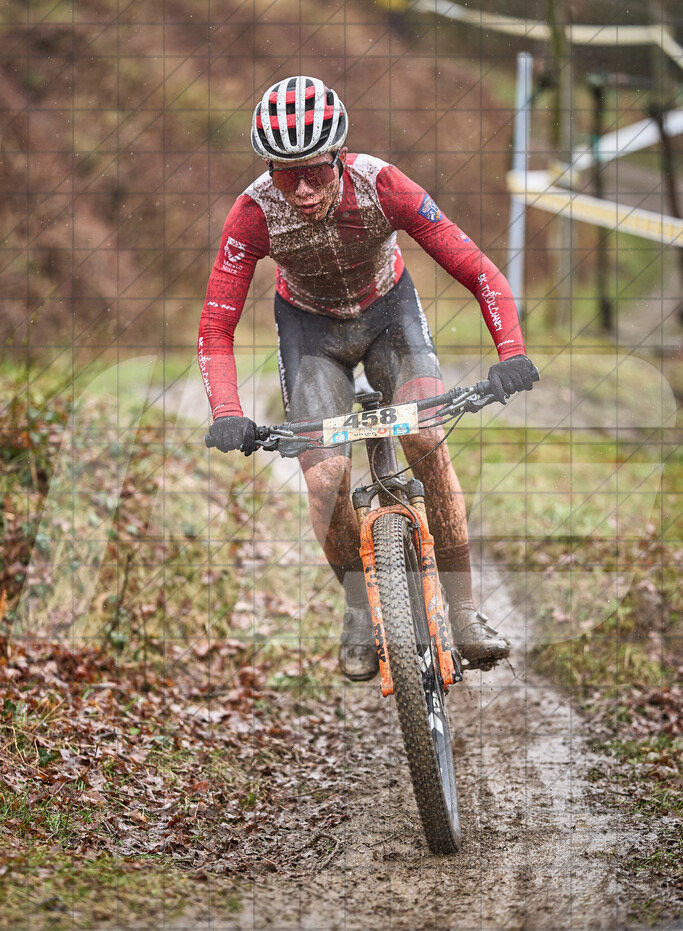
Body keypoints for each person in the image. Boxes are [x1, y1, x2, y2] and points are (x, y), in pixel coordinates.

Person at [199, 75, 537, 681]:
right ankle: (360, 608)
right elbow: (215, 328)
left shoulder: (382, 185)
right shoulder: (253, 214)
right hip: (311, 334)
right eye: (286, 175)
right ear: (269, 171)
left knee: (425, 439)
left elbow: (478, 269)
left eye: (314, 172)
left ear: (338, 156)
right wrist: (227, 412)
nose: (302, 190)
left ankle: (463, 613)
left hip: (389, 317)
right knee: (324, 477)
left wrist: (510, 351)